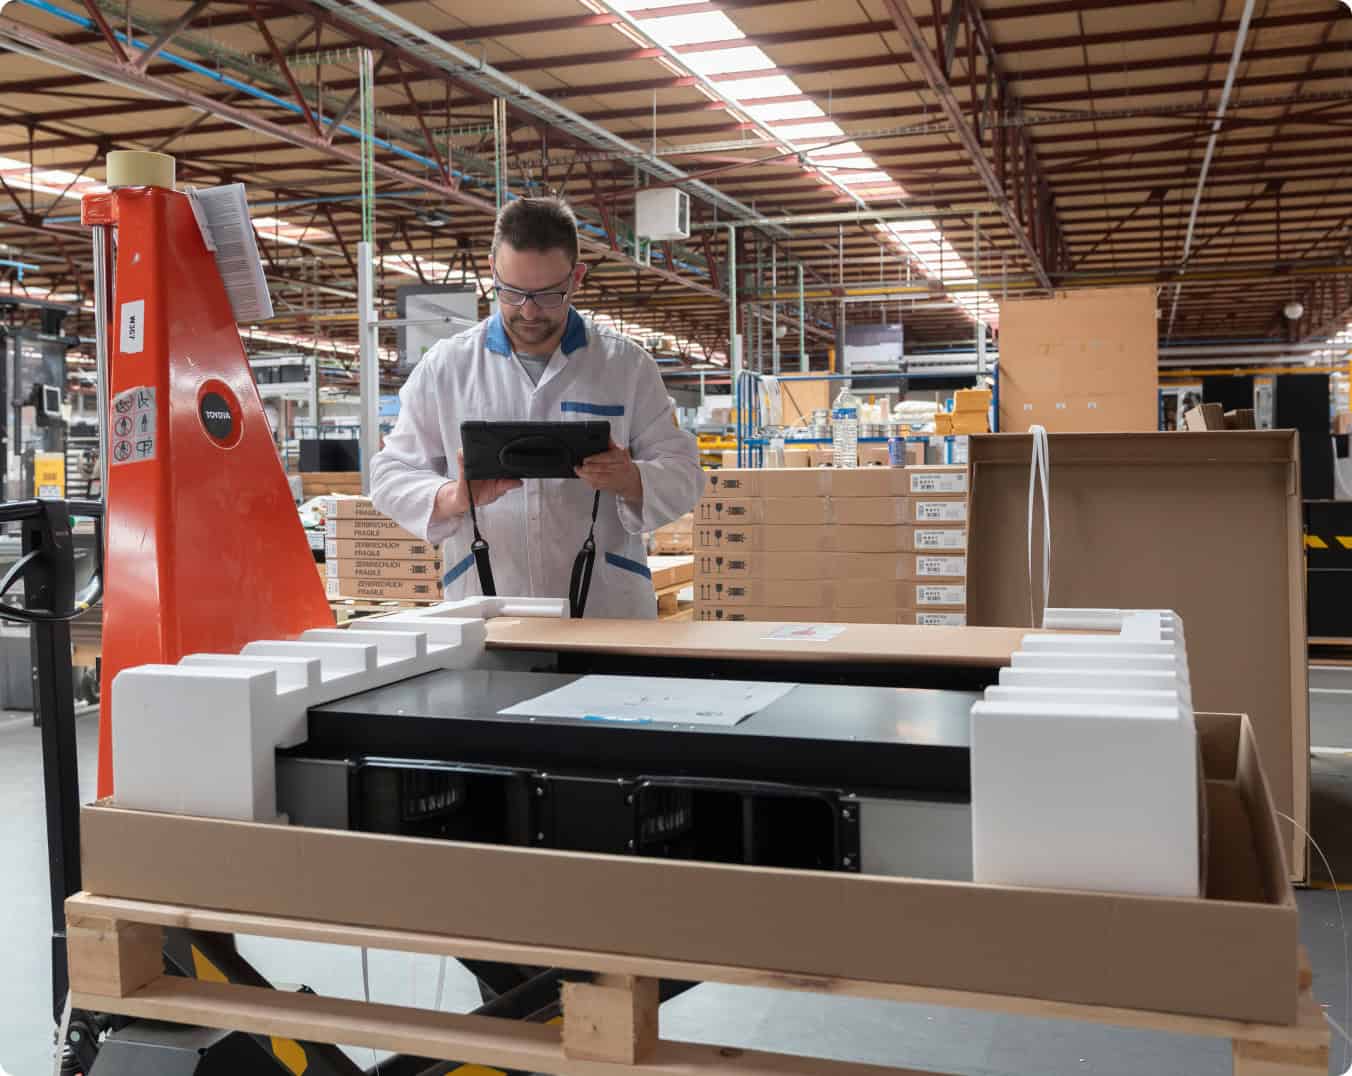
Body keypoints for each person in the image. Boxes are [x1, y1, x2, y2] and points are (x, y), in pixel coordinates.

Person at [370, 196, 706, 618]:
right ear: (492, 271)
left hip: (607, 605)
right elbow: (389, 475)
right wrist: (453, 496)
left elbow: (685, 472)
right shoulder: (447, 366)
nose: (528, 311)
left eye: (548, 295)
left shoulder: (625, 365)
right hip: (485, 605)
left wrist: (633, 478)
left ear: (577, 278)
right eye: (512, 292)